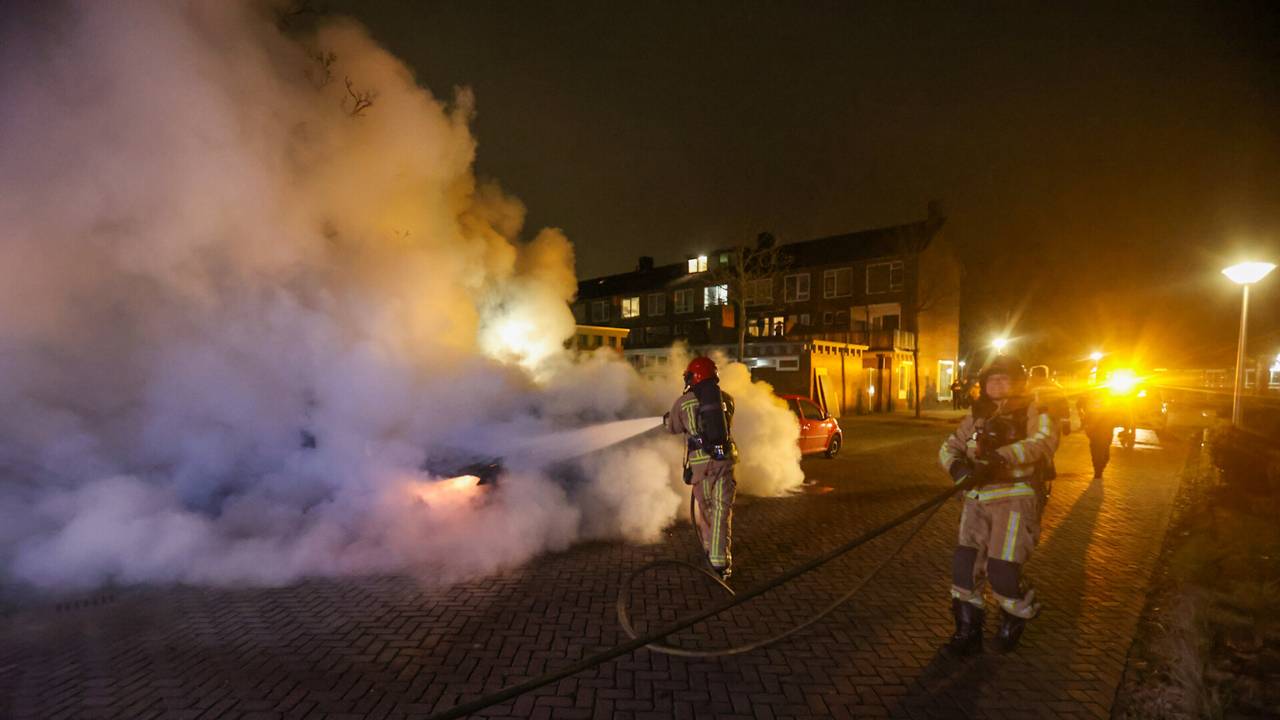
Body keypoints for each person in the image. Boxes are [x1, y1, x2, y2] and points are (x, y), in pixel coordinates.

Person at [937, 355, 1060, 655]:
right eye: (992, 379)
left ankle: (1015, 617)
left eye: (1004, 378)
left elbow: (1044, 441)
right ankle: (968, 632)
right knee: (964, 567)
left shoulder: (1035, 408)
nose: (997, 384)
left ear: (1018, 382)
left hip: (1015, 498)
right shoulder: (977, 415)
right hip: (976, 500)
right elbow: (948, 447)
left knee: (1002, 569)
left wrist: (1001, 457)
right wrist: (957, 469)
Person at [664, 357, 738, 579]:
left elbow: (672, 427)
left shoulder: (684, 402)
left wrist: (667, 419)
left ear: (693, 377)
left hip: (700, 468)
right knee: (721, 511)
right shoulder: (727, 399)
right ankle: (719, 558)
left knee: (707, 511)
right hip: (724, 463)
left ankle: (711, 552)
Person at [1077, 388, 1117, 479]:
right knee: (1096, 448)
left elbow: (1119, 409)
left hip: (1104, 427)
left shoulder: (1110, 395)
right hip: (1095, 427)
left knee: (1103, 450)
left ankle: (1099, 467)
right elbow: (1079, 404)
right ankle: (1098, 469)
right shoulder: (1091, 394)